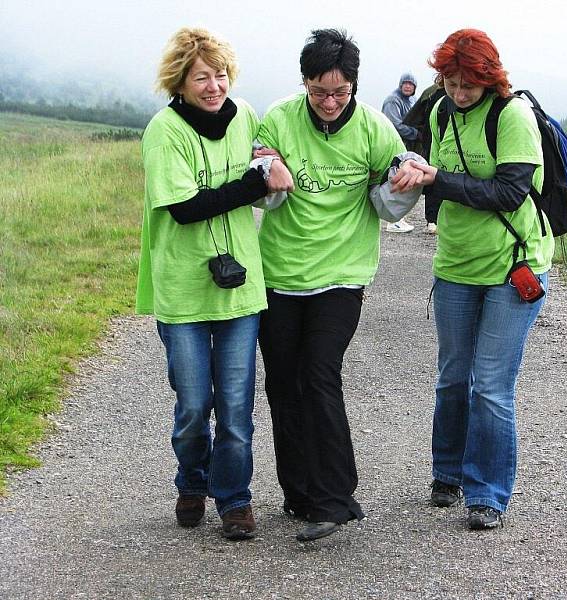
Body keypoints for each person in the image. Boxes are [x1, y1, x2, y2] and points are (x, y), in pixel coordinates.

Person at [255, 28, 425, 542]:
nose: (329, 102)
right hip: (280, 275)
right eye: (318, 91)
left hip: (342, 277)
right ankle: (298, 493)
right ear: (304, 83)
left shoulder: (375, 129)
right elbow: (263, 191)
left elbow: (393, 192)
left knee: (319, 372)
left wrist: (405, 181)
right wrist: (267, 170)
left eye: (340, 92)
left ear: (354, 84)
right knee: (283, 383)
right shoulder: (279, 118)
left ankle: (334, 498)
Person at [135, 27, 293, 540]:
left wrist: (273, 162)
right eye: (201, 77)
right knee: (192, 405)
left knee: (235, 404)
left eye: (220, 74)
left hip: (240, 287)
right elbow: (184, 208)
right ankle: (190, 479)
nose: (213, 85)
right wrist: (254, 181)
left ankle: (235, 499)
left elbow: (268, 156)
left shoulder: (244, 115)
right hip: (182, 287)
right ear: (179, 82)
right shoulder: (164, 130)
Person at [410, 29, 554, 530]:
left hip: (514, 265)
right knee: (452, 377)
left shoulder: (512, 116)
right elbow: (424, 158)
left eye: (469, 82)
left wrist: (436, 180)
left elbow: (510, 192)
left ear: (490, 77)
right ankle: (446, 474)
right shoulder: (440, 111)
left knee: (490, 386)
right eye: (450, 81)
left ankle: (487, 493)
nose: (460, 91)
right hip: (455, 265)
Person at [402, 83, 447, 234]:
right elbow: (412, 118)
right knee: (433, 177)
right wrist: (421, 134)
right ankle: (432, 220)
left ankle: (435, 220)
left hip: (438, 141)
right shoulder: (432, 93)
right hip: (433, 142)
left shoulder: (431, 92)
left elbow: (412, 118)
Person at [381, 72, 419, 233]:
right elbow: (394, 125)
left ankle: (398, 218)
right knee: (393, 180)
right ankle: (392, 221)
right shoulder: (393, 100)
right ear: (400, 84)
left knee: (403, 182)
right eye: (405, 83)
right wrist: (416, 134)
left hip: (406, 147)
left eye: (411, 84)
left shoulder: (411, 100)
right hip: (393, 145)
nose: (408, 86)